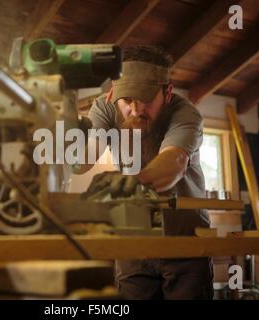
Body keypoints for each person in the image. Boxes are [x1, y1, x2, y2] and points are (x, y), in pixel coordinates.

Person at [77, 45, 214, 300]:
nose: (137, 109)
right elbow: (85, 156)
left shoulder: (186, 114)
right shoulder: (105, 108)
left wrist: (132, 182)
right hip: (134, 237)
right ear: (111, 95)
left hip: (184, 239)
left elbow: (172, 163)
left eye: (146, 99)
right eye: (127, 100)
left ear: (168, 93)